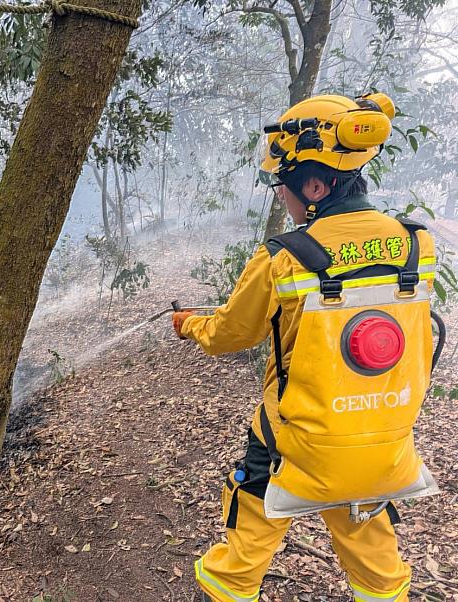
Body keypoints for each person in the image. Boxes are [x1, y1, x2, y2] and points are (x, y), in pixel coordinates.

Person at [173, 93, 442, 602]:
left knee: (239, 557)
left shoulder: (285, 256)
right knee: (380, 574)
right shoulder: (415, 245)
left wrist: (190, 325)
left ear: (315, 185)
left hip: (297, 444)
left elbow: (232, 333)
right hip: (383, 447)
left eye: (282, 186)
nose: (281, 198)